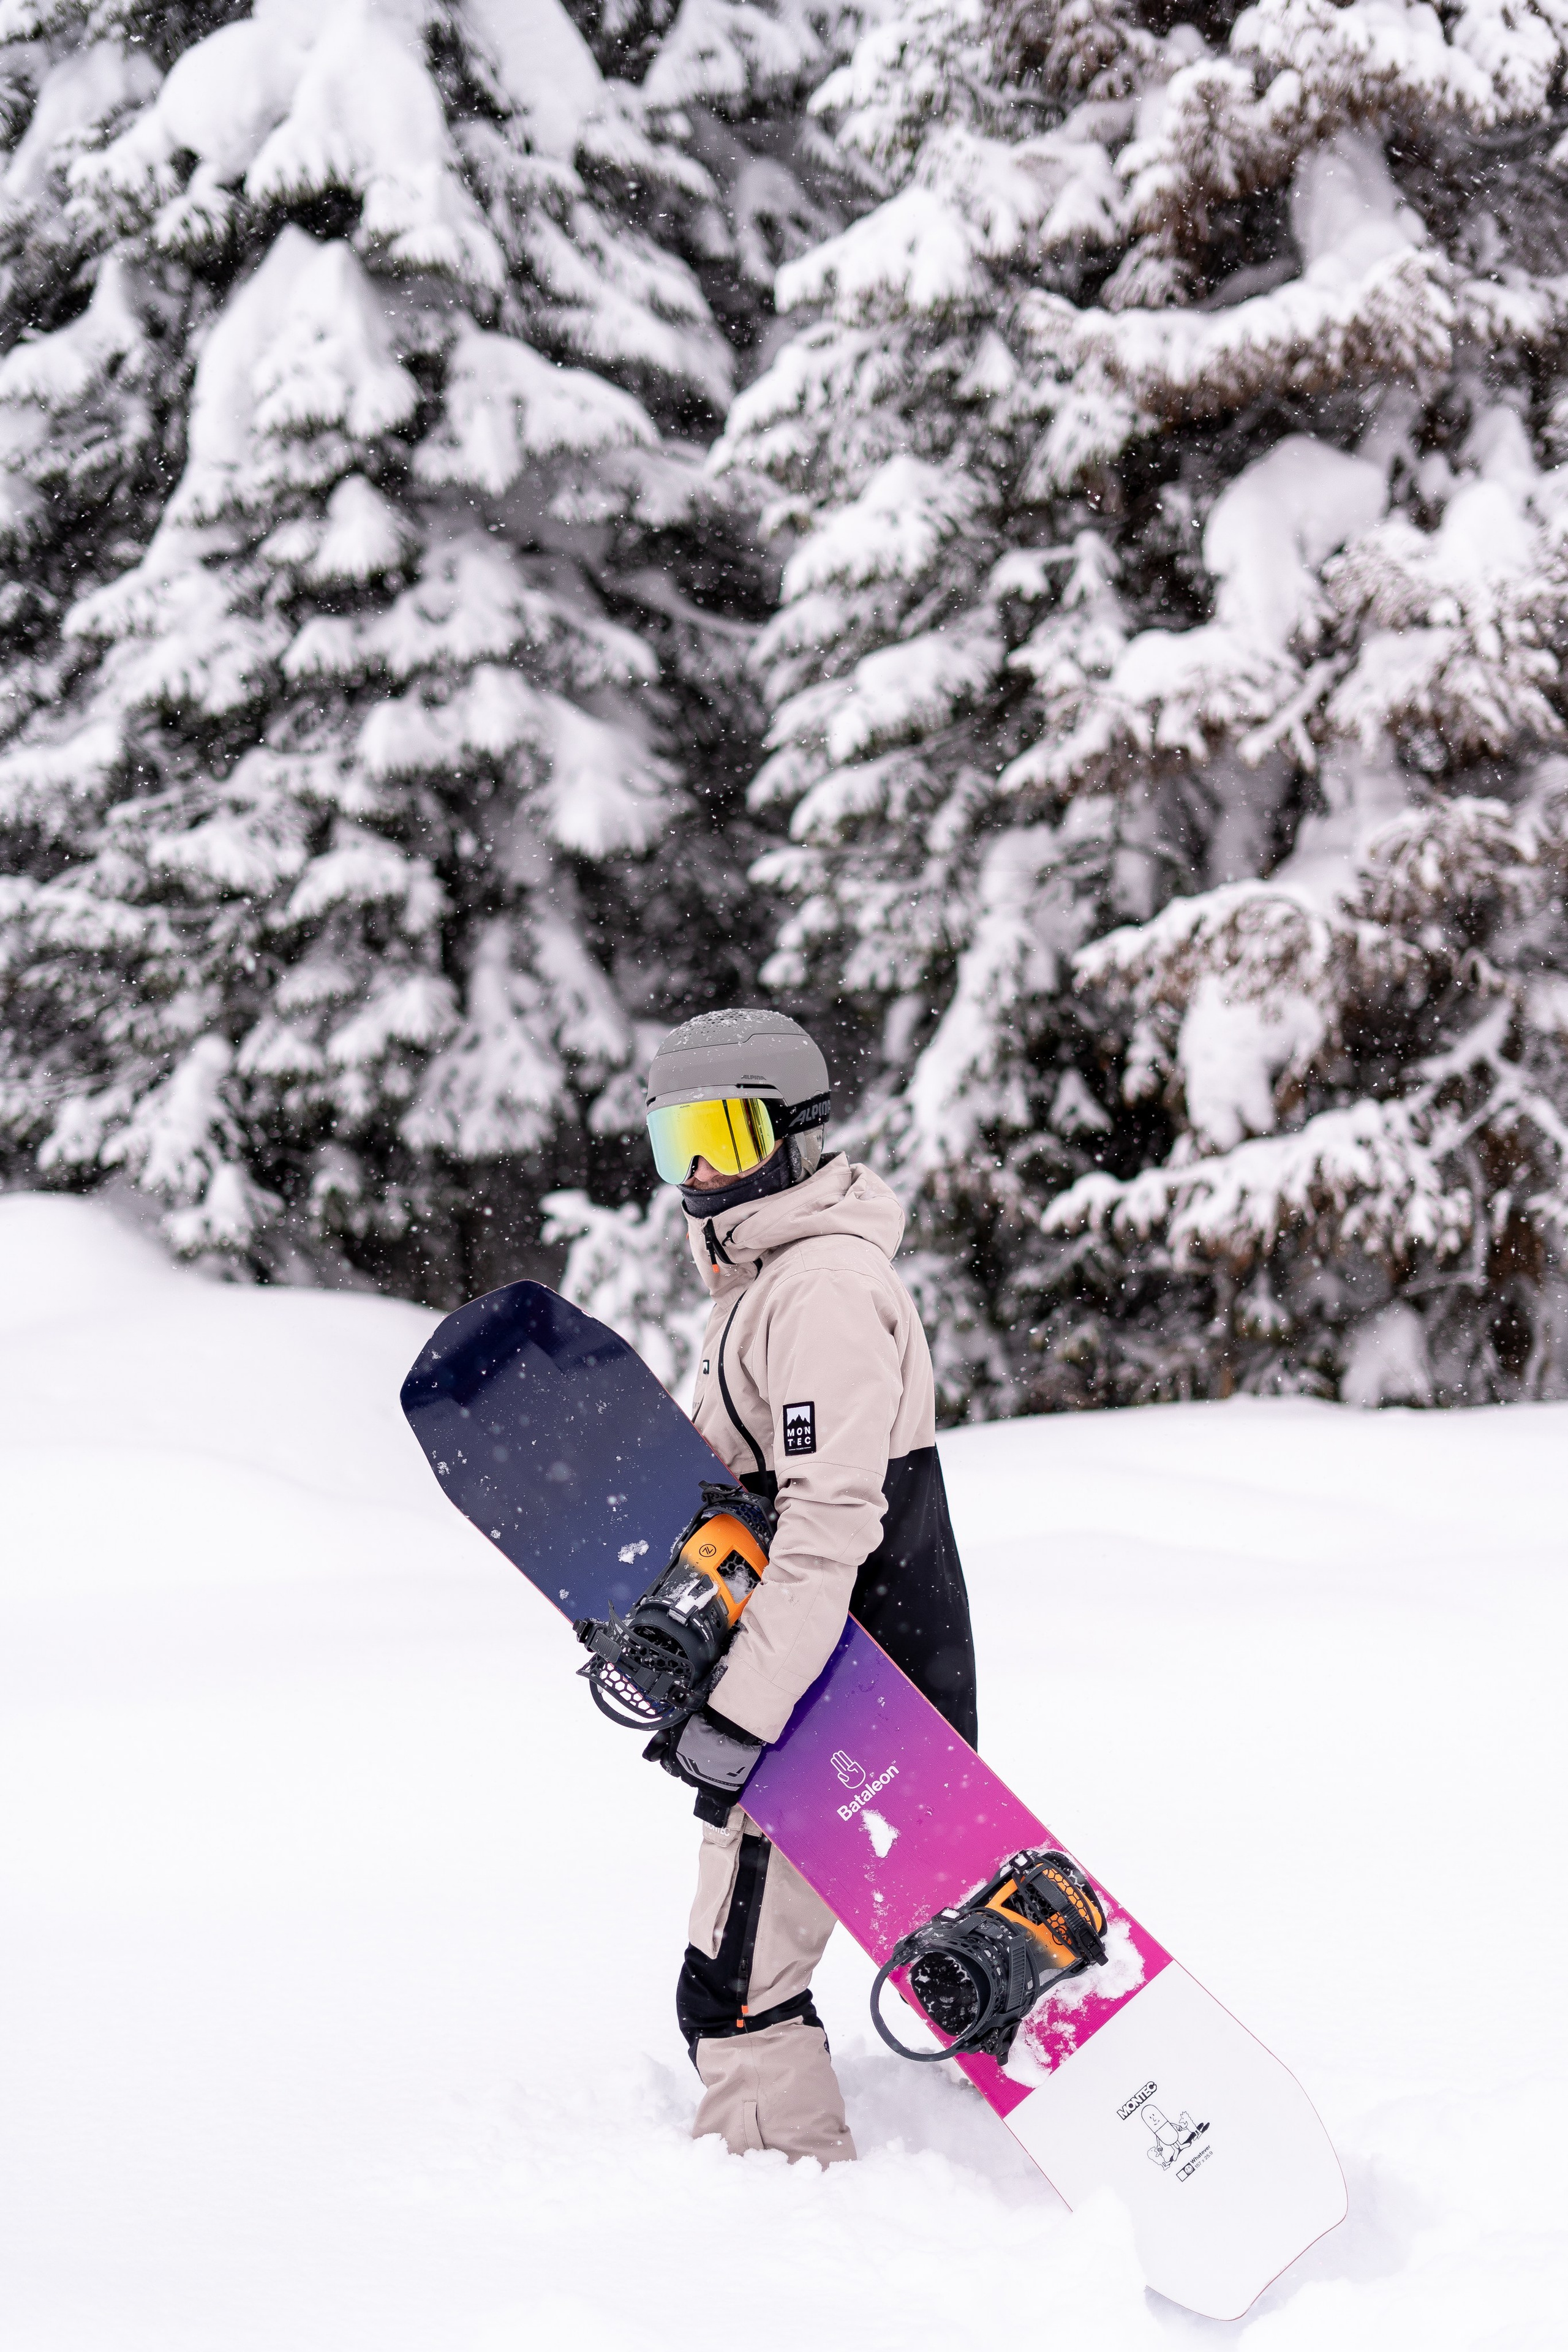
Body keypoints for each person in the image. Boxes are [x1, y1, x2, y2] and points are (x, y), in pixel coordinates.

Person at [641, 1007, 977, 2166]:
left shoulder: (820, 1290)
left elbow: (829, 1524)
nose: (695, 1172)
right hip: (818, 1681)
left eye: (722, 1138)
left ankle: (786, 2238)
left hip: (837, 1696)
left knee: (736, 1997)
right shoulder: (765, 1284)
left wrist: (745, 1711)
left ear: (791, 1134)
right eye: (673, 1141)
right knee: (739, 1975)